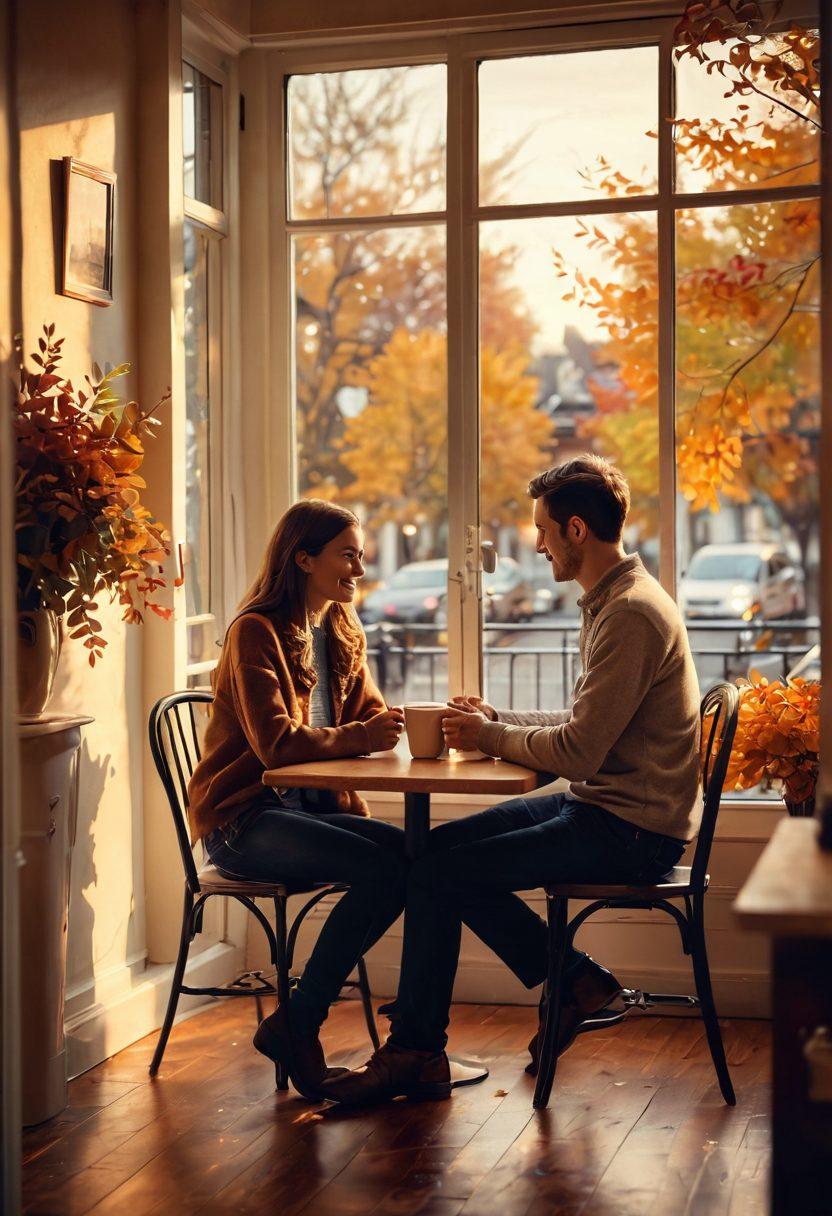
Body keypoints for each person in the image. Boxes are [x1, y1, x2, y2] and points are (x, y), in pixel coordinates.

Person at [320, 455, 701, 1106]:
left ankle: (418, 1051)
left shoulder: (631, 614)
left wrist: (486, 737)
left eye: (543, 530)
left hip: (633, 832)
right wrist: (498, 721)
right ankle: (569, 982)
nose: (538, 544)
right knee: (429, 854)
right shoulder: (616, 601)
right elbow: (585, 726)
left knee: (437, 874)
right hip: (606, 810)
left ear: (576, 530)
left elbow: (579, 751)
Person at [187, 500, 407, 1099]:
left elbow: (368, 718)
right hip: (244, 819)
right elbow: (276, 745)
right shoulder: (254, 631)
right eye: (347, 555)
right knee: (386, 865)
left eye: (360, 556)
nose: (359, 569)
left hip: (313, 812)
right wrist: (363, 736)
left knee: (411, 857)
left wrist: (405, 723)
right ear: (303, 559)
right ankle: (303, 1022)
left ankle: (302, 1019)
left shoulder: (342, 630)